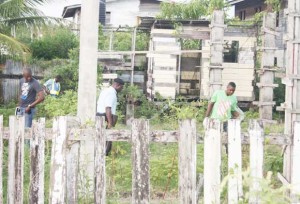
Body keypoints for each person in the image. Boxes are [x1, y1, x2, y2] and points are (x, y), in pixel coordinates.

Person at [96, 78, 124, 155]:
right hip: (105, 117)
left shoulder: (105, 91)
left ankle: (101, 154)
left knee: (101, 137)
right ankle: (104, 155)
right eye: (121, 87)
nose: (121, 90)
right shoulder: (112, 93)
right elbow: (108, 108)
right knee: (108, 137)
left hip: (99, 116)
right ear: (118, 85)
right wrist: (110, 123)